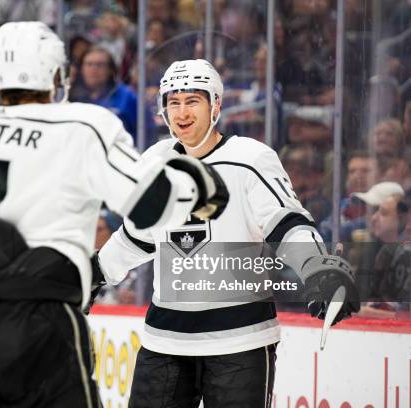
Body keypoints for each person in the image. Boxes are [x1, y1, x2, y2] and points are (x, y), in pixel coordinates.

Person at [0, 22, 229, 407]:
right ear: (57, 74)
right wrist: (197, 188)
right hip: (42, 327)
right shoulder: (83, 125)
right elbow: (150, 205)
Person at [96, 59, 360, 407]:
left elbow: (287, 223)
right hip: (165, 340)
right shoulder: (154, 162)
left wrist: (317, 267)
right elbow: (138, 236)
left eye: (192, 100)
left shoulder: (249, 158)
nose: (181, 112)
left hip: (240, 342)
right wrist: (95, 272)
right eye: (173, 102)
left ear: (215, 105)